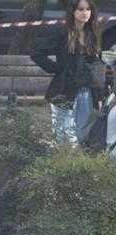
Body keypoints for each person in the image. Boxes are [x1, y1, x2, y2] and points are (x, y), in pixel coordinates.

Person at [31, 0, 103, 145]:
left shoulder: (92, 35)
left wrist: (100, 94)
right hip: (64, 90)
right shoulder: (63, 33)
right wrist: (57, 68)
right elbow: (37, 53)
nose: (84, 13)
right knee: (63, 134)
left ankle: (80, 166)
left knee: (84, 133)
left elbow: (97, 66)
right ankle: (63, 164)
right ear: (73, 11)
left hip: (87, 92)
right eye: (80, 9)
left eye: (88, 9)